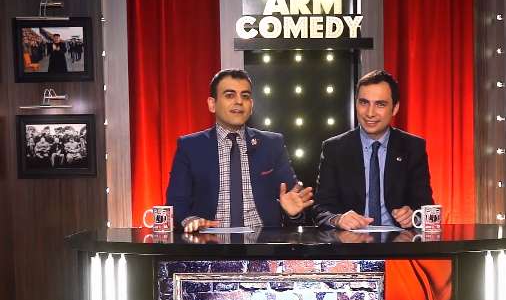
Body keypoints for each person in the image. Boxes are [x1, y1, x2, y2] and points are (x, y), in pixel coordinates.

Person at [166, 69, 313, 232]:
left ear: (251, 105)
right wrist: (191, 221)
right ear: (212, 104)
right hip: (209, 240)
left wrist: (294, 214)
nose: (239, 101)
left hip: (263, 240)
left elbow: (294, 201)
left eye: (245, 96)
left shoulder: (272, 144)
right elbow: (176, 202)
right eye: (230, 95)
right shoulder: (190, 146)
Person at [312, 69, 433, 230]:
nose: (370, 113)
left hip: (398, 242)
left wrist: (413, 216)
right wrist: (337, 219)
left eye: (380, 104)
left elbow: (425, 207)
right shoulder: (334, 148)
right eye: (364, 103)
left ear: (395, 108)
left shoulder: (412, 147)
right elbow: (321, 209)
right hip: (349, 241)